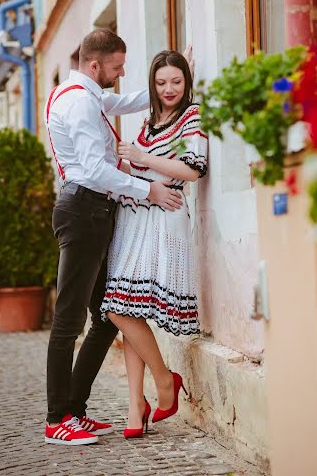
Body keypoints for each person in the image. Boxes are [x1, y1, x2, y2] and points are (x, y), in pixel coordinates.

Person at [44, 29, 183, 446]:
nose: (121, 74)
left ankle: (76, 409)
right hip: (84, 209)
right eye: (118, 67)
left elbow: (126, 102)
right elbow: (95, 169)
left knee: (106, 316)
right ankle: (56, 420)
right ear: (94, 65)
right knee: (68, 320)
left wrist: (171, 79)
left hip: (92, 210)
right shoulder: (80, 103)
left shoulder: (84, 92)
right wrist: (149, 189)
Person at [100, 50, 208, 438]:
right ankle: (135, 406)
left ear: (186, 81)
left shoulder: (191, 117)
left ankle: (164, 382)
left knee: (120, 308)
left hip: (162, 221)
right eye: (161, 83)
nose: (169, 89)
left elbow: (193, 170)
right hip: (133, 219)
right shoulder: (149, 122)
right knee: (126, 308)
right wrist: (126, 162)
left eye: (176, 81)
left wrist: (144, 158)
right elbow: (143, 168)